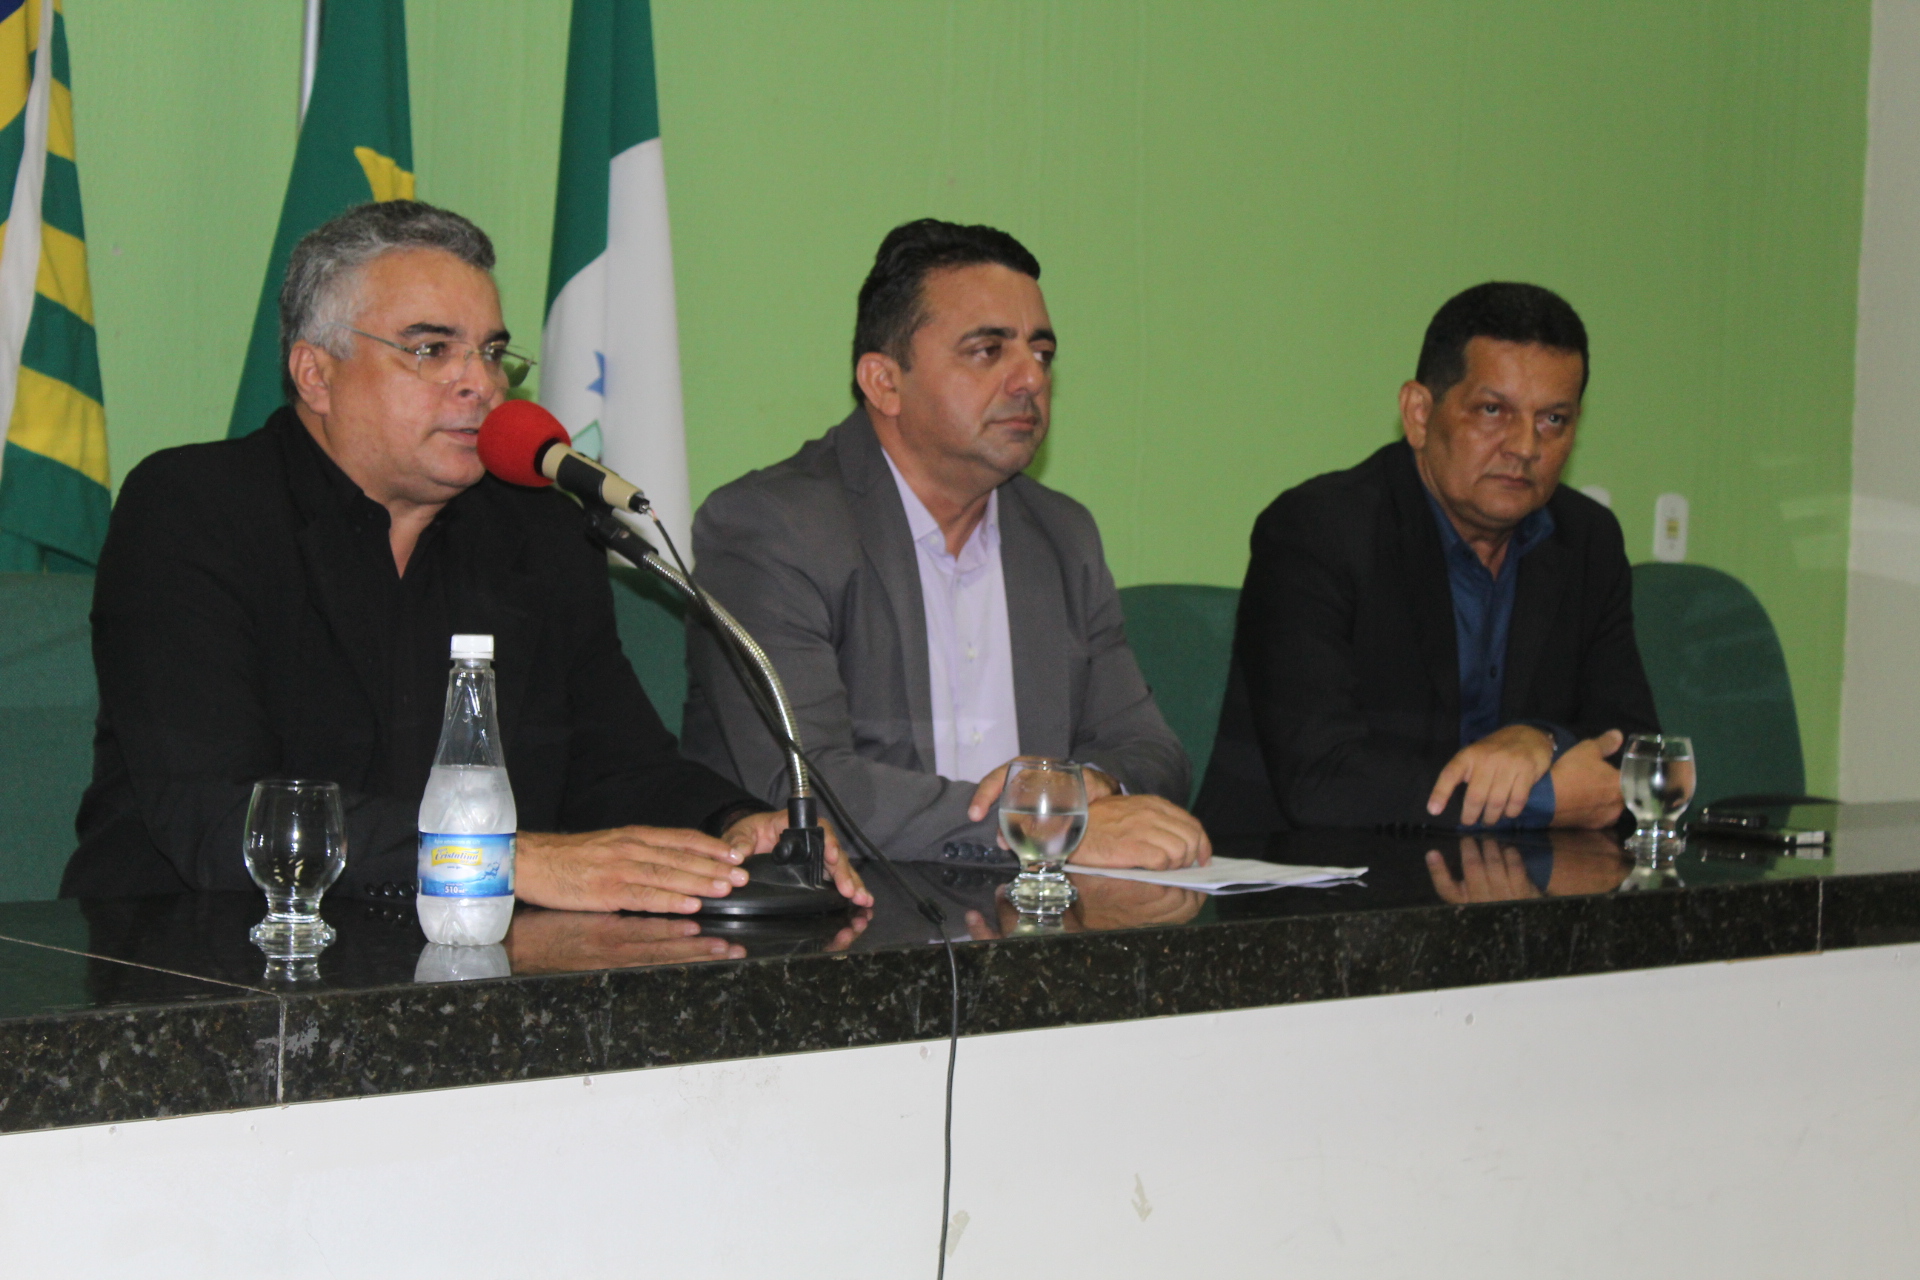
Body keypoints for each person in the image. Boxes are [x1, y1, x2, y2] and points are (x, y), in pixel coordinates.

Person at [65, 200, 867, 912]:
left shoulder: (538, 532)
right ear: (315, 374)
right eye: (430, 349)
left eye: (490, 352)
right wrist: (506, 862)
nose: (478, 384)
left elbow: (613, 764)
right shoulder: (194, 511)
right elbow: (219, 816)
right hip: (195, 961)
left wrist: (733, 823)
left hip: (462, 965)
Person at [680, 218, 1208, 867]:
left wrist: (1090, 786)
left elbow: (1151, 750)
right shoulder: (772, 527)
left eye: (1042, 354)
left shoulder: (1062, 535)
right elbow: (807, 785)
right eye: (988, 350)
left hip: (1031, 913)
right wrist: (1042, 825)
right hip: (842, 913)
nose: (1030, 378)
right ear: (884, 382)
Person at [1196, 281, 1658, 834]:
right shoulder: (1317, 532)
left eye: (1553, 420)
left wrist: (1542, 739)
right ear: (1418, 413)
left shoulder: (1585, 541)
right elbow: (1322, 782)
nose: (1525, 446)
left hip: (1507, 879)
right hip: (1314, 873)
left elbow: (1636, 751)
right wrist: (1540, 798)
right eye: (1493, 410)